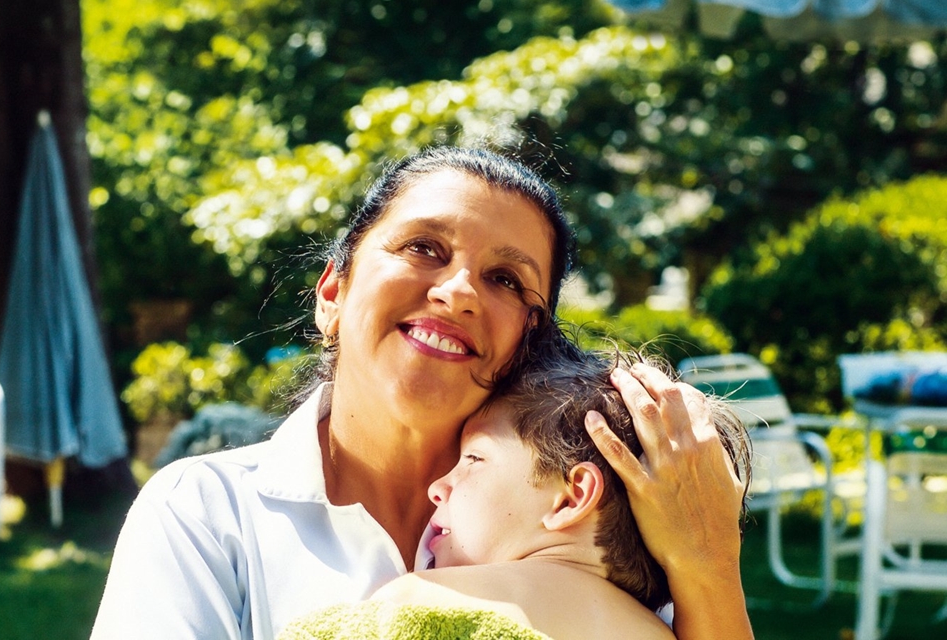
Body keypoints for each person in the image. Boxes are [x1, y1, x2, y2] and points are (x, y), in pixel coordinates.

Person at [91, 146, 753, 640]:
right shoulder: (207, 512)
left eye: (504, 278)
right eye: (424, 248)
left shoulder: (614, 519)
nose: (460, 291)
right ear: (332, 293)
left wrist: (710, 569)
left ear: (533, 337)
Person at [277, 331, 750, 639]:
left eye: (474, 459)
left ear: (572, 497)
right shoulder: (673, 633)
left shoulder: (430, 600)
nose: (439, 487)